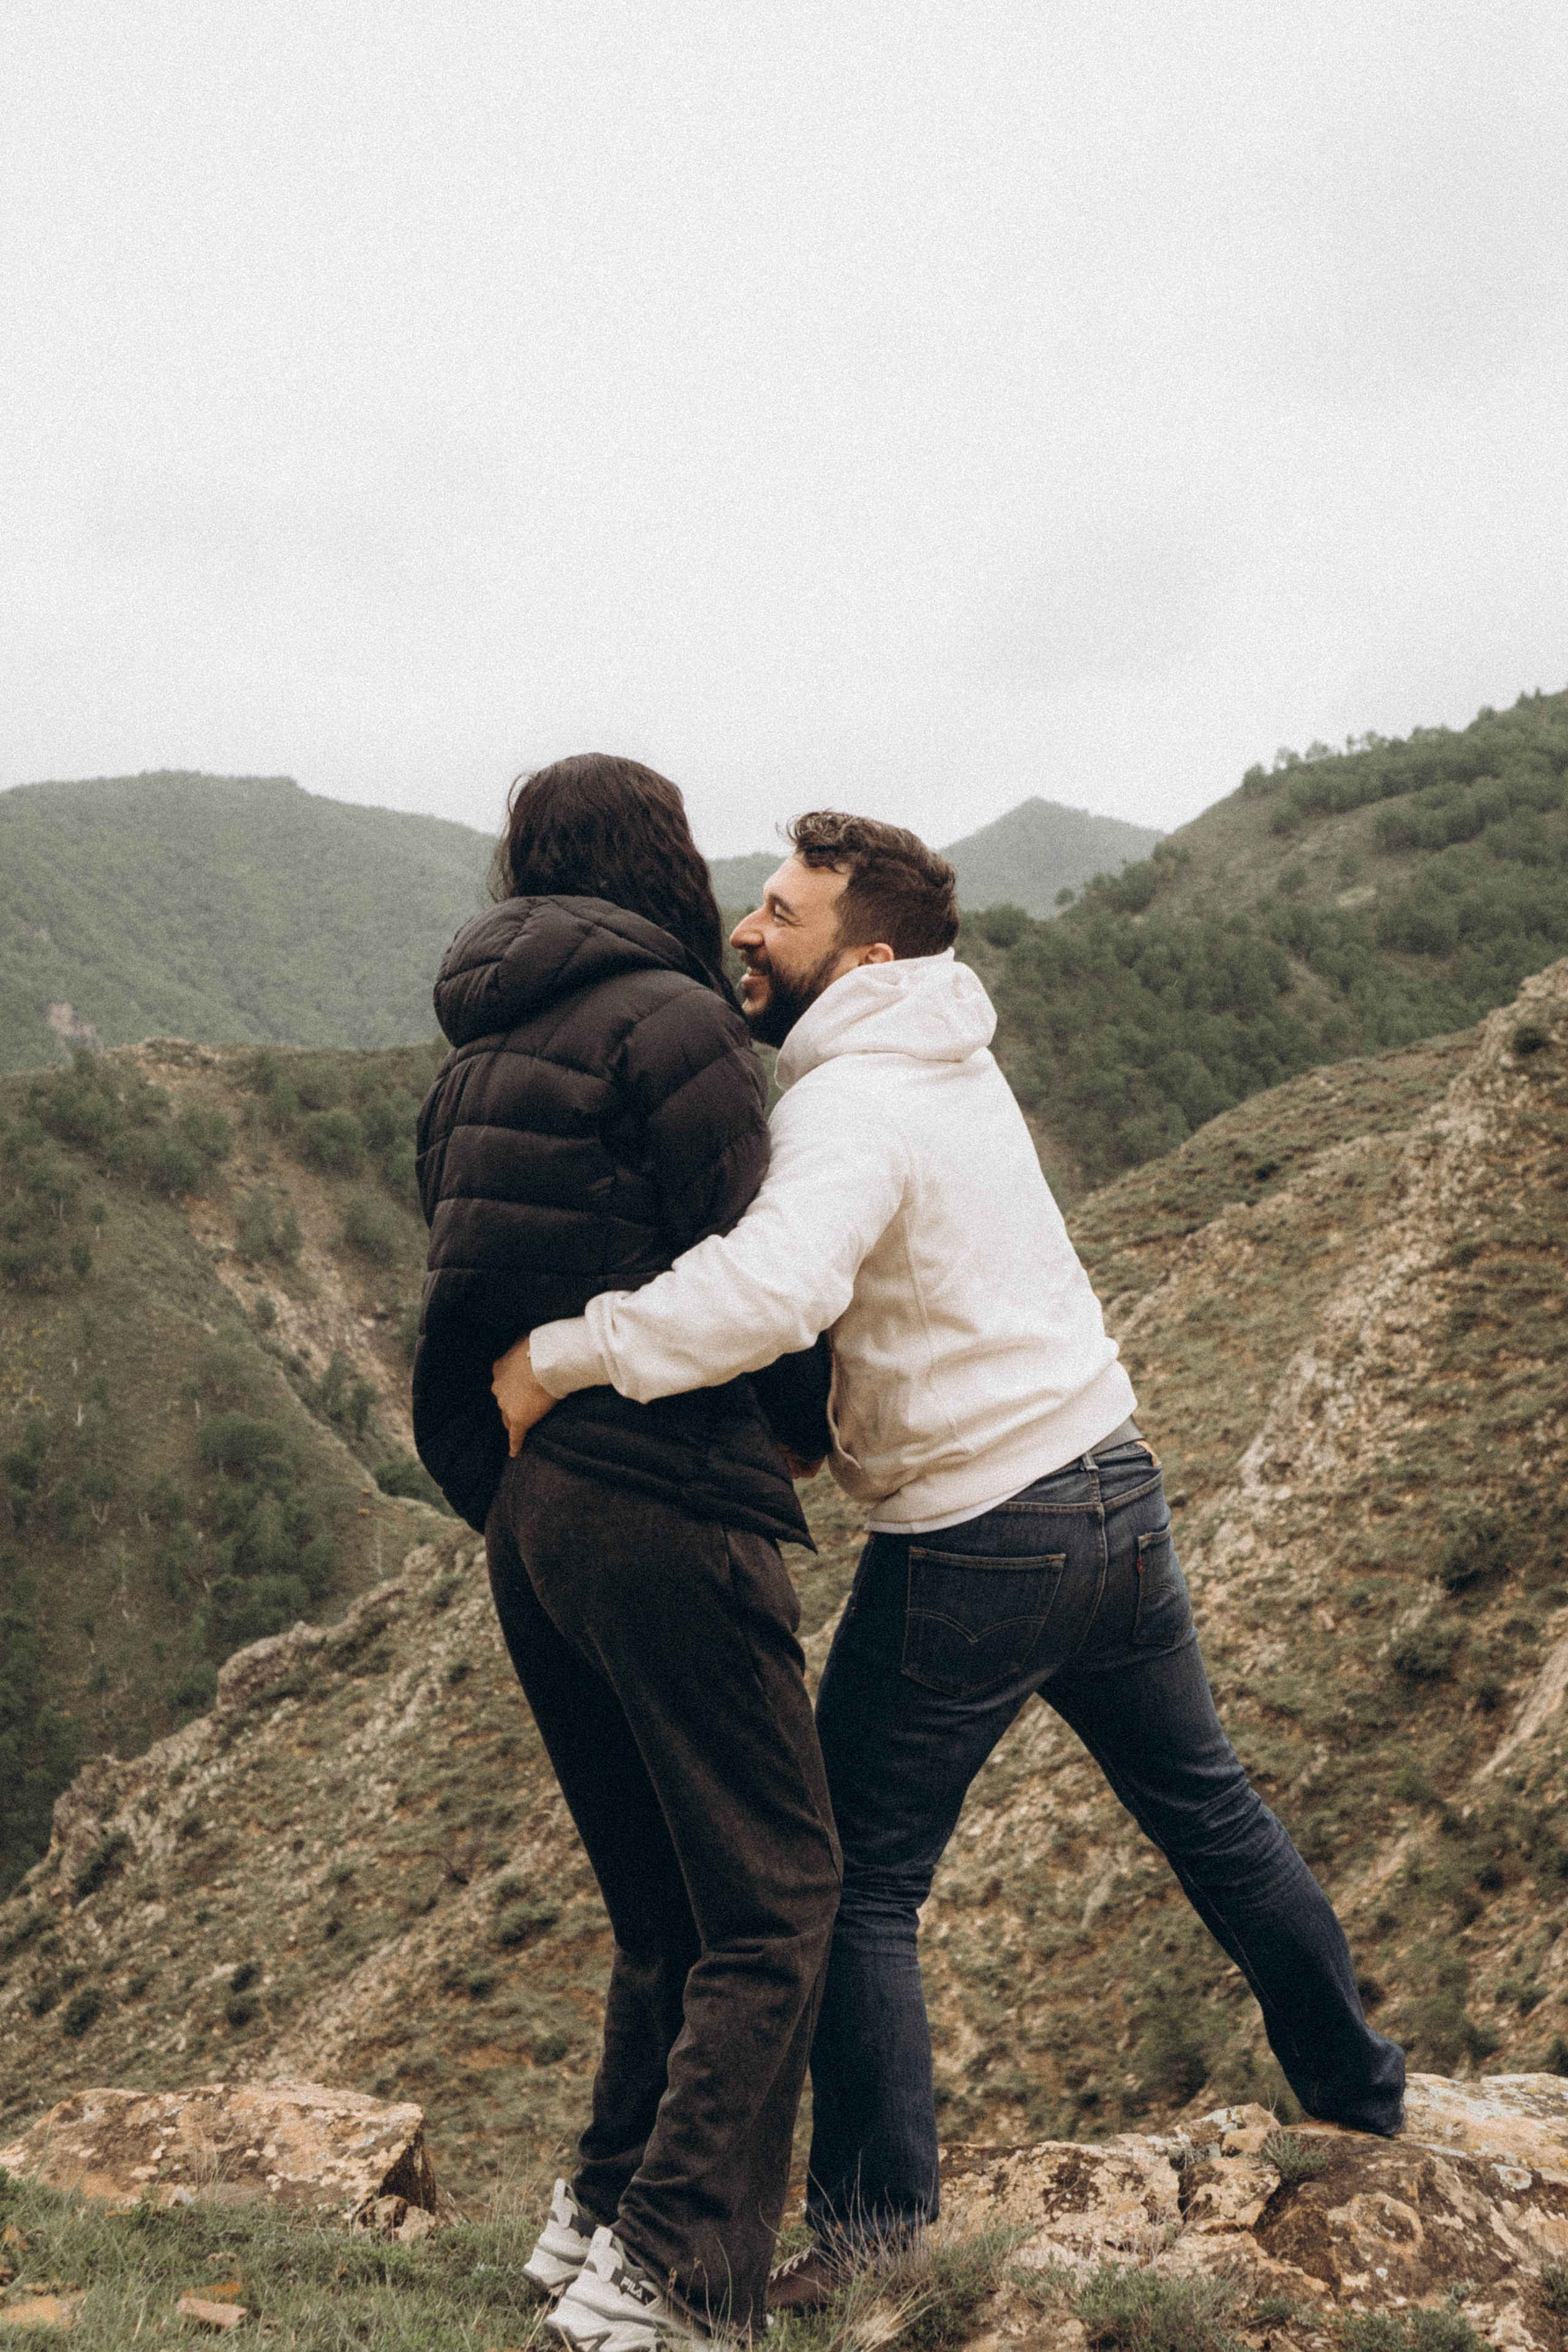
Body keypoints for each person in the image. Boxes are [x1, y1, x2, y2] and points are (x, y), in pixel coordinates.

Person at [492, 809, 1407, 2305]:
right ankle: (1361, 2099)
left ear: (857, 955)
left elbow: (774, 1290)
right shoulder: (948, 1055)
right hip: (1111, 1483)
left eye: (778, 916)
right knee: (1213, 1816)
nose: (745, 929)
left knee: (844, 1878)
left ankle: (868, 2239)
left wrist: (564, 1355)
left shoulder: (849, 1103)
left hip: (981, 1538)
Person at [412, 756, 842, 2348]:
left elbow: (453, 1325)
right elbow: (769, 1270)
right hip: (669, 1497)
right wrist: (797, 1435)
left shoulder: (470, 1068)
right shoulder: (679, 1034)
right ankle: (671, 2276)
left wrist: (510, 1494)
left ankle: (594, 2222)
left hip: (535, 1519)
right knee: (776, 1895)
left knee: (664, 1903)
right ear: (660, 859)